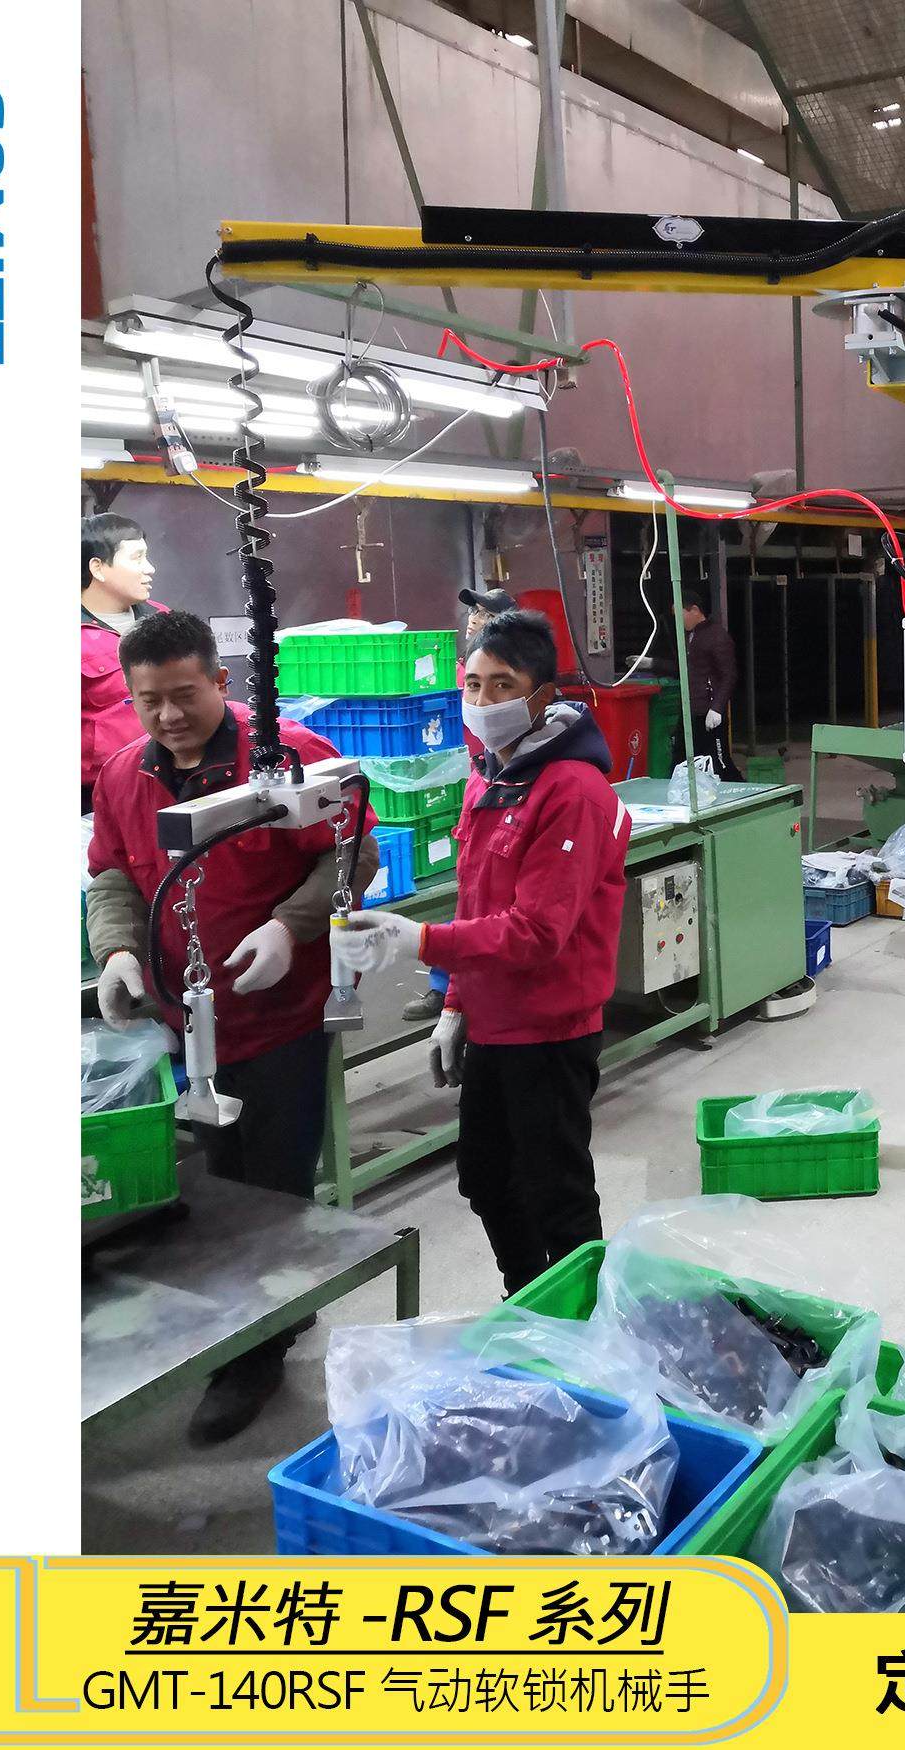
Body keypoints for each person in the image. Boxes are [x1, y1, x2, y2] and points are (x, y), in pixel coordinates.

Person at [85, 610, 379, 1443]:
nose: (169, 715)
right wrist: (117, 952)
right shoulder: (123, 775)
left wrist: (290, 925)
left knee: (275, 1188)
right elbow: (112, 874)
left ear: (221, 680)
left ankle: (256, 1352)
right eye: (150, 700)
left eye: (185, 694)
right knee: (220, 1186)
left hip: (279, 1016)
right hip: (186, 1018)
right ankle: (264, 1315)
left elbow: (354, 852)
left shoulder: (287, 758)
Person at [331, 609, 629, 1296]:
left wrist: (418, 940)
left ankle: (586, 1324)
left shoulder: (572, 792)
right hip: (494, 1019)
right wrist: (454, 1004)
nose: (484, 700)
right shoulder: (489, 778)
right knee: (487, 1177)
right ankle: (527, 1297)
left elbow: (536, 932)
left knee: (557, 1191)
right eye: (473, 684)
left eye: (503, 685)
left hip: (549, 1028)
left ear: (542, 696)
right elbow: (476, 903)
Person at [400, 586, 519, 1023]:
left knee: (498, 897)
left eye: (484, 613)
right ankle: (445, 988)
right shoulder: (455, 672)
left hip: (506, 790)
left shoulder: (518, 680)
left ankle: (477, 989)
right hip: (466, 787)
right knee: (467, 892)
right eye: (472, 611)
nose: (473, 618)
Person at [82, 513, 167, 811]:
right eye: (137, 557)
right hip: (92, 796)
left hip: (164, 777)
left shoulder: (163, 619)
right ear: (98, 568)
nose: (149, 568)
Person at [680, 586, 742, 781]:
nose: (678, 620)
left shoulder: (716, 636)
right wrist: (651, 663)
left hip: (710, 711)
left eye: (680, 614)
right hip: (692, 710)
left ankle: (739, 791)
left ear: (694, 610)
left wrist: (716, 708)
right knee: (687, 760)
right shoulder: (690, 636)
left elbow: (729, 675)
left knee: (720, 763)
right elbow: (682, 667)